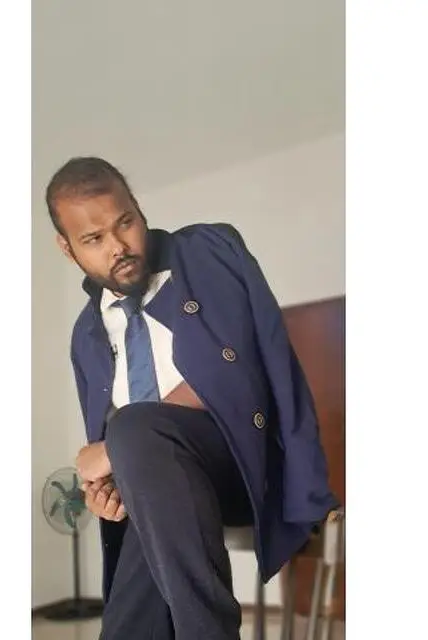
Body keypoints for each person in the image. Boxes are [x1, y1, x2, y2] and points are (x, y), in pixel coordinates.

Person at [45, 157, 338, 640]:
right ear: (67, 247)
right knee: (141, 517)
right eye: (93, 239)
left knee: (134, 430)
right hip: (158, 485)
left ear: (138, 209)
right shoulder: (86, 335)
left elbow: (238, 372)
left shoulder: (206, 252)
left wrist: (113, 447)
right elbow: (123, 443)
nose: (118, 247)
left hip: (240, 464)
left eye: (125, 222)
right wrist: (107, 488)